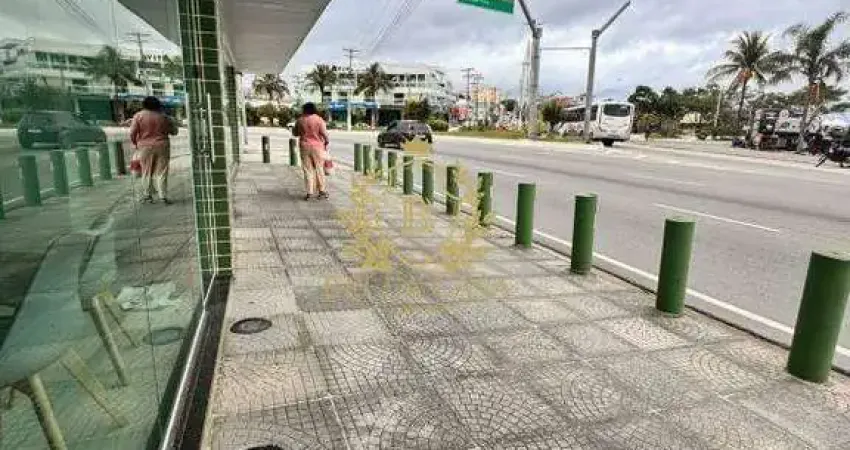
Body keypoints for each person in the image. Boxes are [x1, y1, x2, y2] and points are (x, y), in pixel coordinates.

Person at [130, 96, 177, 204]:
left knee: (146, 171)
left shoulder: (138, 116)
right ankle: (163, 196)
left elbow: (132, 133)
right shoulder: (164, 117)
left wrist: (135, 143)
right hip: (162, 146)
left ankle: (148, 195)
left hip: (144, 147)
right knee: (162, 171)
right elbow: (174, 132)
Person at [293, 102, 329, 200]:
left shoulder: (300, 120)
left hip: (304, 147)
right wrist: (326, 141)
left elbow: (295, 133)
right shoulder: (319, 119)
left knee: (307, 169)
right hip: (318, 147)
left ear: (304, 109)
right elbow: (324, 133)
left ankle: (309, 192)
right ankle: (321, 191)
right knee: (319, 168)